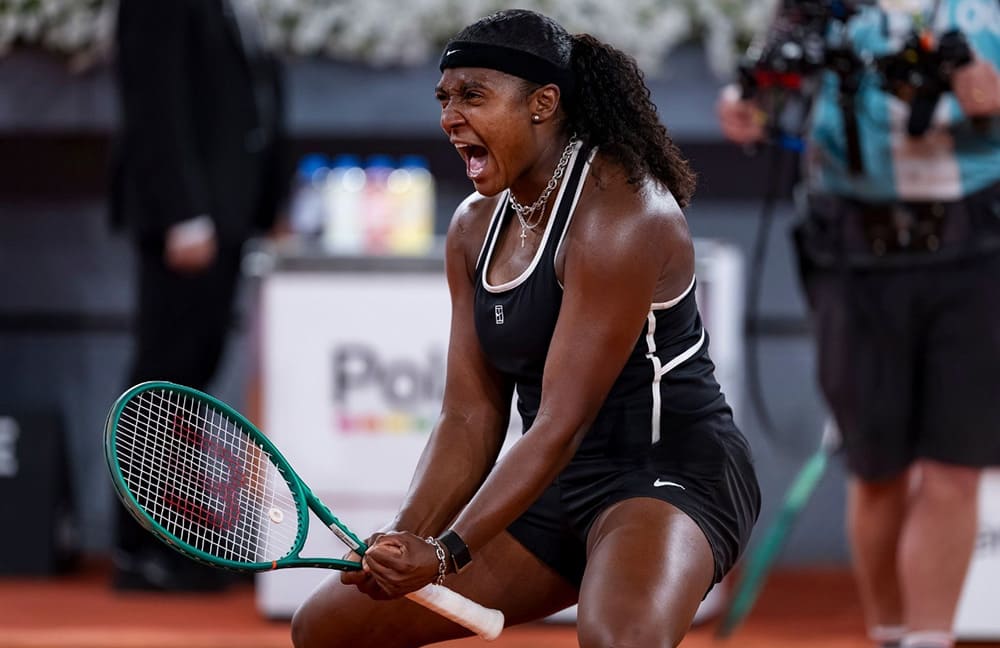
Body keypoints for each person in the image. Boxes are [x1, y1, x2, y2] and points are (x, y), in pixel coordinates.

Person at [291, 9, 760, 648]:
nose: (450, 116)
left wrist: (448, 552)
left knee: (620, 641)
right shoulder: (472, 227)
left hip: (664, 473)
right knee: (327, 629)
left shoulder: (623, 215)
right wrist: (408, 536)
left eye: (472, 96)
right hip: (551, 483)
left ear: (543, 103)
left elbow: (560, 422)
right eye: (444, 98)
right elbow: (468, 414)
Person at [717, 1, 1000, 647]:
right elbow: (766, 87)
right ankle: (891, 631)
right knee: (877, 468)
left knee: (957, 466)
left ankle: (930, 638)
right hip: (853, 255)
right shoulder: (820, 8)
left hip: (977, 248)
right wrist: (747, 107)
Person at [108, 0, 290, 591]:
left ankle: (182, 537)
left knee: (193, 378)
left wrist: (269, 207)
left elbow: (255, 100)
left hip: (230, 215)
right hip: (189, 221)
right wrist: (184, 215)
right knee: (163, 378)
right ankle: (142, 549)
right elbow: (154, 103)